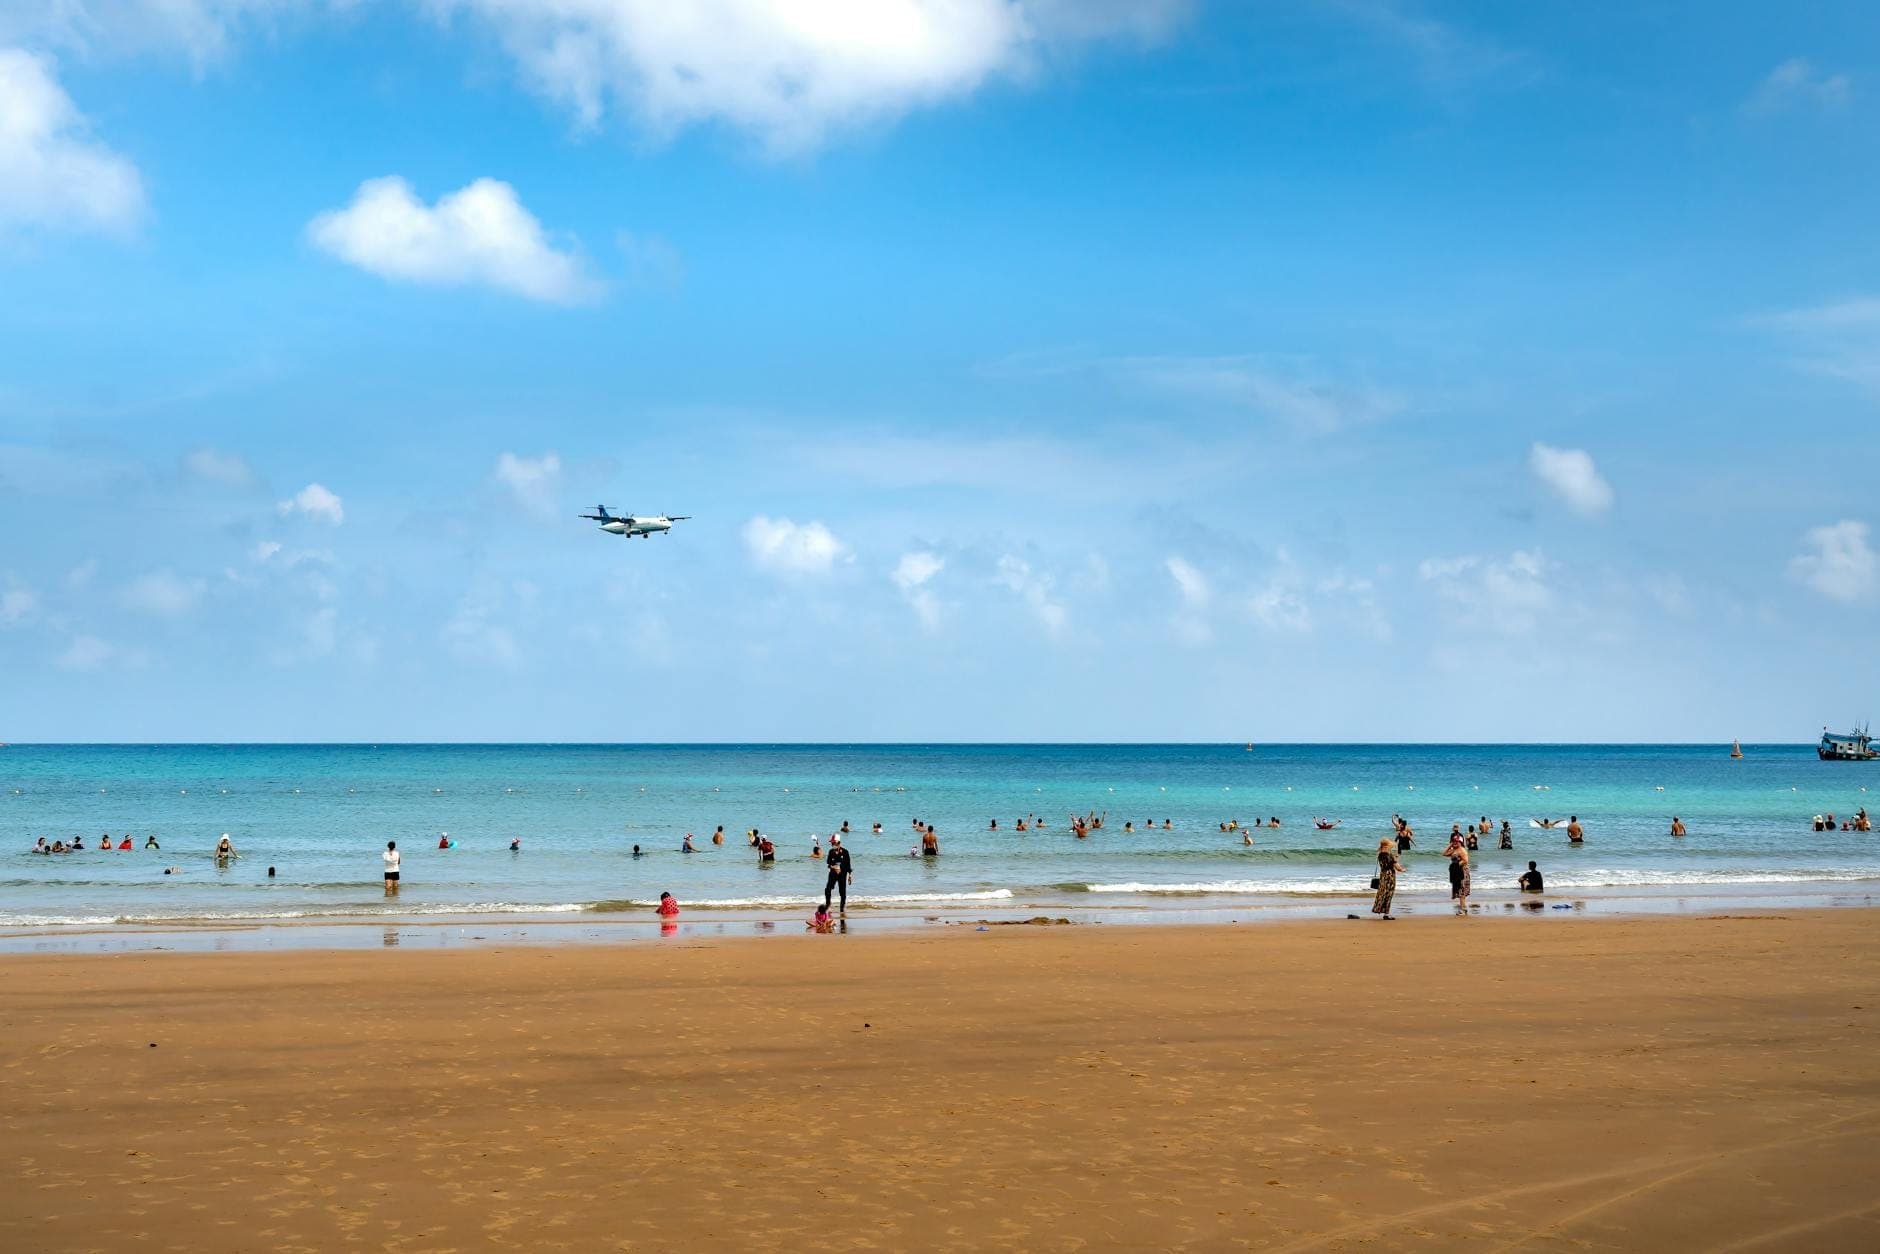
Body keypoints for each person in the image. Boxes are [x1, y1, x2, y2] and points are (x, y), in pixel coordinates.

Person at [1372, 838, 1403, 920]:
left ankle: (1379, 909)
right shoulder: (1389, 855)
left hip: (1383, 875)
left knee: (1382, 893)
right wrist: (1403, 869)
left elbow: (1386, 864)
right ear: (1387, 846)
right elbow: (1398, 868)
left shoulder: (1380, 855)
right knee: (1389, 894)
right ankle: (1386, 914)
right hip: (1390, 876)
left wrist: (1395, 859)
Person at [824, 833, 853, 913]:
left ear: (838, 842)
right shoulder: (831, 852)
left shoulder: (845, 852)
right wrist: (834, 867)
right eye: (831, 843)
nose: (832, 844)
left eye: (833, 842)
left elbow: (848, 865)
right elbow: (828, 864)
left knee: (842, 893)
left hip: (842, 874)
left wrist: (850, 875)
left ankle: (842, 909)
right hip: (833, 874)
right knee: (827, 890)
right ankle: (828, 905)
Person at [1445, 831, 1471, 914]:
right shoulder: (1454, 850)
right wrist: (1450, 845)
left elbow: (1465, 860)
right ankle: (1463, 908)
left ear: (1460, 842)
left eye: (1457, 841)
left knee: (1461, 890)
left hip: (1462, 872)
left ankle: (1463, 909)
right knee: (1459, 890)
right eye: (1454, 841)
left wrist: (1456, 865)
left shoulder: (1462, 850)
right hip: (1457, 872)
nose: (1455, 843)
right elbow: (1444, 853)